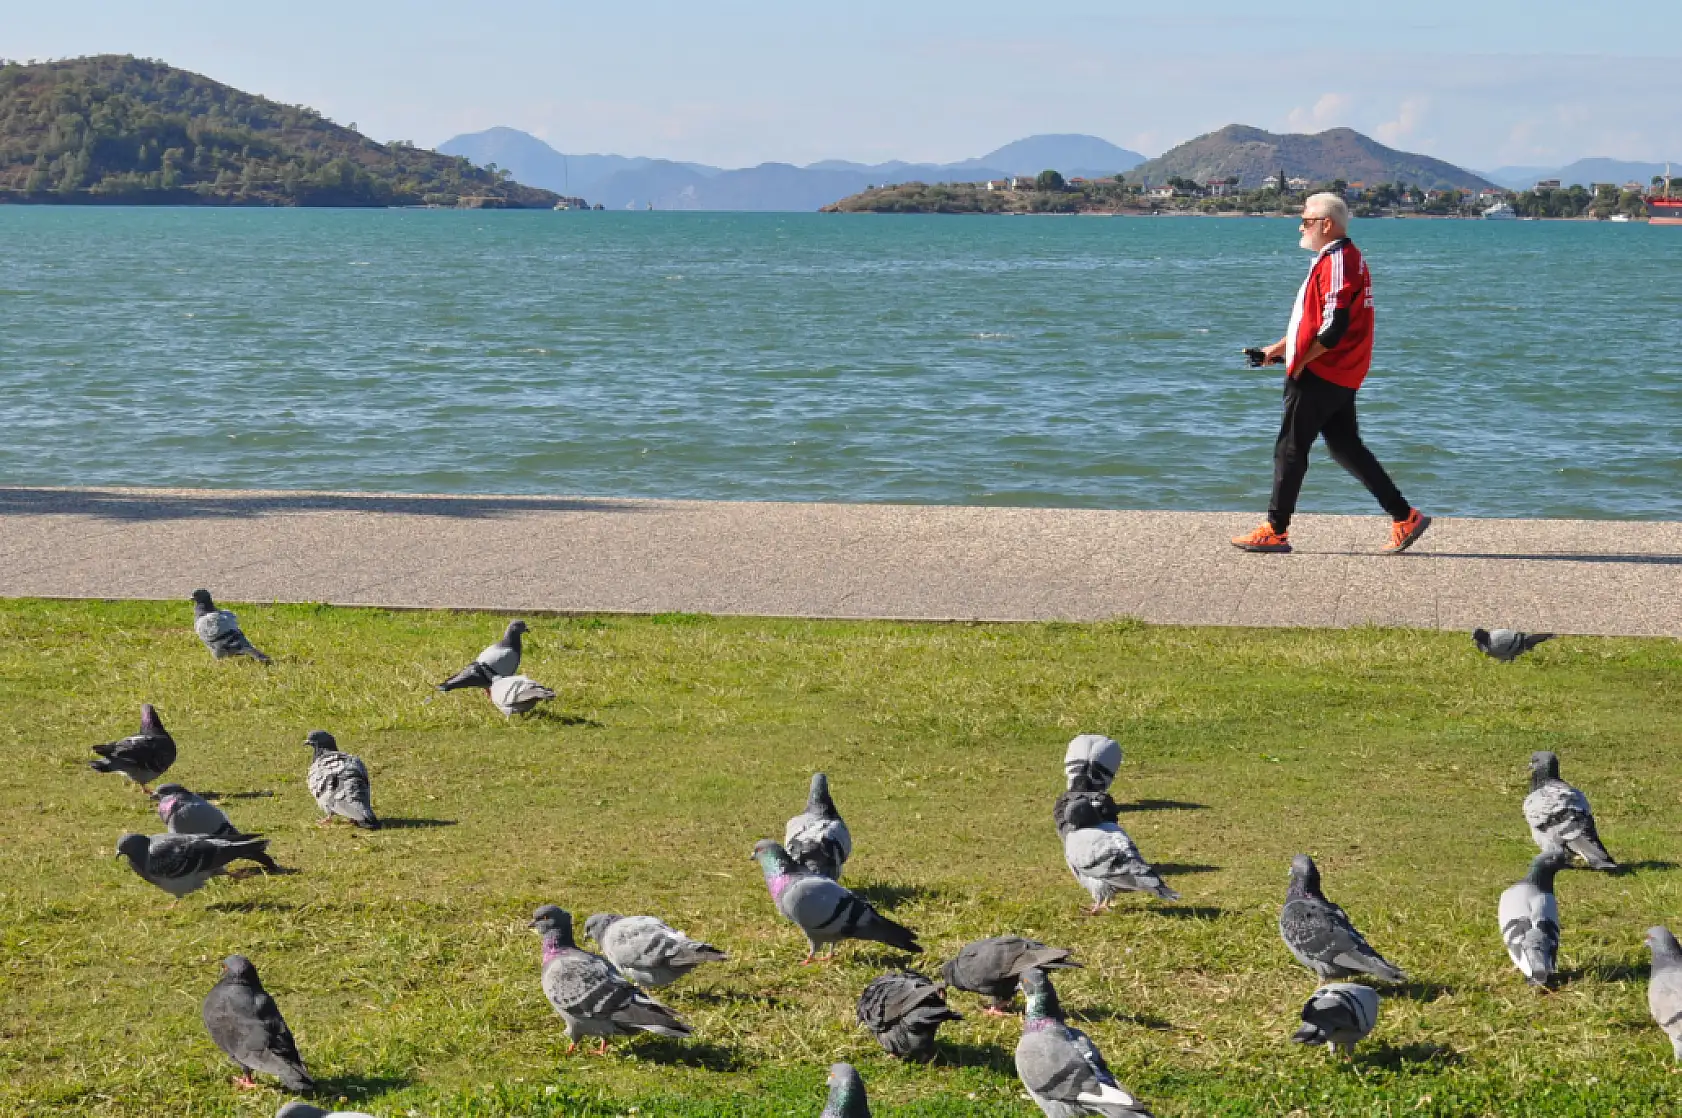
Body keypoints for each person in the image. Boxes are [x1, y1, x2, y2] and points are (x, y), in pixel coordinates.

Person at [1231, 193, 1429, 555]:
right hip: (1340, 372)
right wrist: (1275, 352)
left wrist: (1302, 362)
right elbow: (1314, 323)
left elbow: (1332, 330)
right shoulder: (1338, 259)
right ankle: (1404, 516)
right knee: (1344, 446)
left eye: (1306, 221)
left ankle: (1275, 530)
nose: (1300, 227)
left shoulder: (1338, 261)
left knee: (1290, 449)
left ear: (1326, 224)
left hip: (1323, 372)